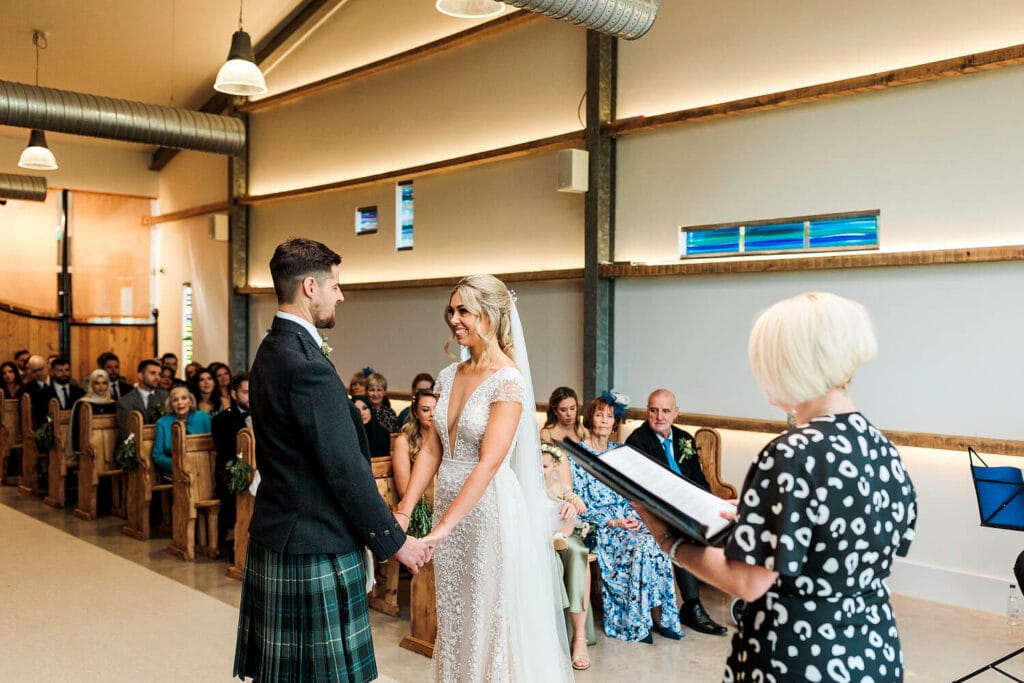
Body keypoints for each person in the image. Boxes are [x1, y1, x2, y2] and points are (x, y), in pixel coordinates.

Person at [633, 292, 918, 682]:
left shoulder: (792, 454)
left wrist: (670, 542)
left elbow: (747, 581)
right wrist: (758, 520)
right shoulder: (880, 448)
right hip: (872, 650)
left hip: (800, 656)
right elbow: (840, 539)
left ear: (792, 364)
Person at [234, 238, 429, 683]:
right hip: (313, 539)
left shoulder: (271, 349)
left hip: (282, 531)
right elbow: (344, 470)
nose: (341, 295)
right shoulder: (306, 364)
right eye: (335, 286)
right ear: (309, 287)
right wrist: (395, 543)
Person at [395, 274, 573, 682]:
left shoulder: (508, 380)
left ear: (491, 316)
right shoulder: (447, 375)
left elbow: (489, 464)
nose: (453, 319)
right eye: (451, 310)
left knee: (485, 618)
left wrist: (440, 531)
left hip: (487, 512)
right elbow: (433, 450)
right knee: (455, 618)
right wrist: (404, 512)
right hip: (450, 508)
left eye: (464, 311)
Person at [571, 394, 684, 643]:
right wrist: (613, 522)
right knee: (641, 546)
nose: (603, 420)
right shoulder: (577, 455)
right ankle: (634, 622)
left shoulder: (620, 452)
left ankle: (662, 617)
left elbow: (631, 495)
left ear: (615, 421)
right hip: (598, 525)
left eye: (609, 416)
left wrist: (636, 518)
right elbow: (578, 503)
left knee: (658, 541)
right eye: (599, 414)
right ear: (590, 418)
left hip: (626, 518)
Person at [624, 388, 728, 636]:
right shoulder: (637, 442)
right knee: (686, 533)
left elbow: (699, 480)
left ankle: (742, 596)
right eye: (653, 410)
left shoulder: (685, 439)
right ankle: (693, 606)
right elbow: (645, 491)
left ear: (676, 413)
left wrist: (707, 506)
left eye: (665, 410)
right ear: (647, 411)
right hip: (657, 511)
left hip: (689, 506)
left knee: (728, 526)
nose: (659, 416)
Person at [211, 373, 252, 553]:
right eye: (246, 392)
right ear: (234, 394)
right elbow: (226, 453)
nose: (251, 397)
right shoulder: (222, 420)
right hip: (233, 472)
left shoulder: (266, 415)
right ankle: (238, 548)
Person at [150, 385, 212, 478]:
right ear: (171, 405)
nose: (180, 402)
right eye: (175, 400)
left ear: (190, 402)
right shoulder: (162, 423)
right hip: (175, 472)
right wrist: (178, 465)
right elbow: (157, 456)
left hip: (204, 469)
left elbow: (213, 447)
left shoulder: (204, 418)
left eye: (183, 398)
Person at [392, 388, 438, 499]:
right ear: (415, 413)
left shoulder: (445, 441)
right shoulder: (403, 442)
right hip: (418, 507)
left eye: (436, 409)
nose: (432, 414)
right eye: (426, 410)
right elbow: (404, 491)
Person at [67, 369, 117, 460]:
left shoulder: (113, 403)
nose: (101, 387)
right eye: (97, 383)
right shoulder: (82, 404)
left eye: (104, 383)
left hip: (110, 445)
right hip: (89, 448)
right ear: (91, 385)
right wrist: (78, 451)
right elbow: (76, 428)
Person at [116, 359, 168, 439]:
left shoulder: (165, 396)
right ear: (141, 376)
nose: (157, 378)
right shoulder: (125, 402)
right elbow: (127, 434)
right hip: (136, 445)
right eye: (153, 373)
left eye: (159, 374)